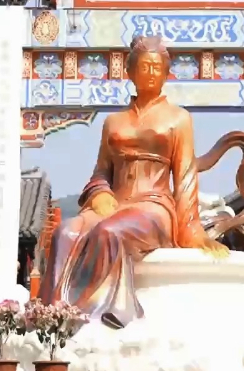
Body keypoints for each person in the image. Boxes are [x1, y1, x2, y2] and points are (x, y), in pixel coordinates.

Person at [39, 34, 229, 328]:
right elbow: (101, 171)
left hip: (153, 207)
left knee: (109, 232)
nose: (151, 73)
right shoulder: (113, 122)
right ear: (129, 72)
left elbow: (185, 178)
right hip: (115, 203)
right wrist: (100, 193)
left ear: (166, 73)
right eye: (144, 67)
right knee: (65, 232)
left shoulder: (179, 119)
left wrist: (192, 230)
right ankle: (50, 315)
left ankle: (95, 313)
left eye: (157, 68)